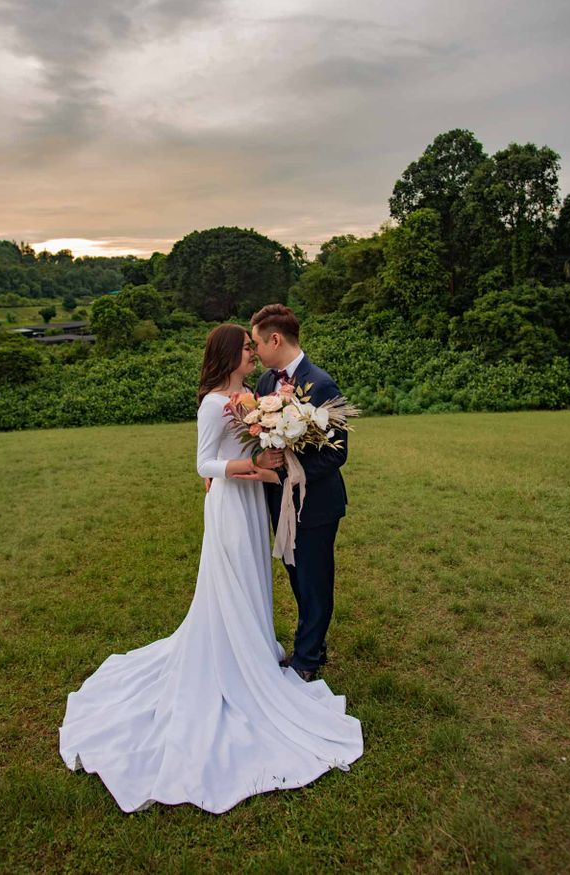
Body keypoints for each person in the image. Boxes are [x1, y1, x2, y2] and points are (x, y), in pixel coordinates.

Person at [58, 323, 362, 814]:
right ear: (229, 354)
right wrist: (239, 468)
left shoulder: (258, 393)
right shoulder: (212, 403)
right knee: (229, 582)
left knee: (253, 581)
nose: (253, 352)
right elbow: (204, 463)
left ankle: (255, 649)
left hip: (252, 505)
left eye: (255, 344)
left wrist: (265, 457)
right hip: (229, 503)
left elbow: (261, 448)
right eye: (246, 347)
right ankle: (230, 658)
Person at [251, 304, 348, 681]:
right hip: (280, 502)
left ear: (275, 339)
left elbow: (338, 452)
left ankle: (307, 659)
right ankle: (314, 644)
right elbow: (257, 437)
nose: (255, 350)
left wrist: (293, 474)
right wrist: (266, 457)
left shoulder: (320, 383)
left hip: (316, 504)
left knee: (314, 579)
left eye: (257, 342)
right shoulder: (264, 386)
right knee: (295, 575)